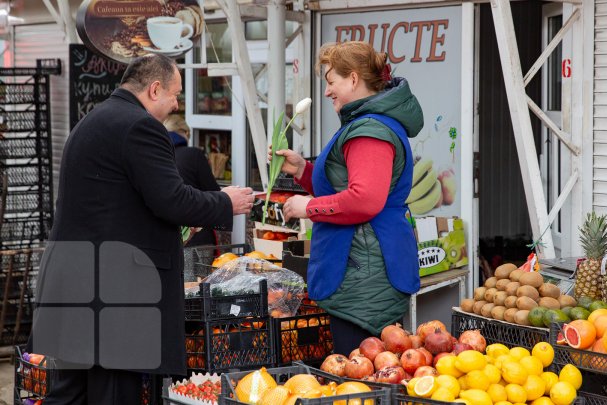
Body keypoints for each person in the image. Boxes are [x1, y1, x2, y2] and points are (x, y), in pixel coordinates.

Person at [31, 54, 254, 404]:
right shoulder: (140, 126)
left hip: (77, 286)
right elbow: (172, 199)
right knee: (114, 394)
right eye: (175, 95)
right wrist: (225, 202)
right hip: (114, 296)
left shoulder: (95, 119)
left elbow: (117, 203)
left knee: (70, 395)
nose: (177, 104)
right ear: (154, 89)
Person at [271, 41, 423, 355]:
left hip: (364, 275)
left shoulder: (370, 131)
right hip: (363, 266)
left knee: (361, 378)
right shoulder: (365, 124)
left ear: (353, 79)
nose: (327, 92)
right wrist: (302, 169)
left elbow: (364, 200)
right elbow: (343, 186)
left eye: (331, 82)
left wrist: (308, 208)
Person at [163, 114, 220, 246]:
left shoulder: (156, 156)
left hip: (166, 234)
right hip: (196, 233)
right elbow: (214, 192)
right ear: (184, 132)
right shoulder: (193, 155)